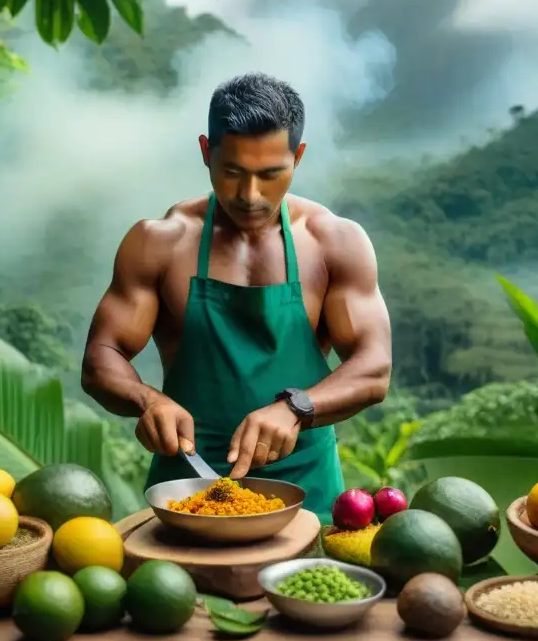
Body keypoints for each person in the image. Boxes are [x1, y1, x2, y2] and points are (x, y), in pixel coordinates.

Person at [80, 72, 392, 522]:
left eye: (270, 175)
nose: (250, 195)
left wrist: (297, 408)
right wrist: (147, 399)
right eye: (232, 172)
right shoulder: (159, 242)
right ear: (207, 152)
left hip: (308, 495)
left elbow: (374, 370)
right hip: (185, 489)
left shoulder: (333, 243)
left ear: (297, 157)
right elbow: (101, 357)